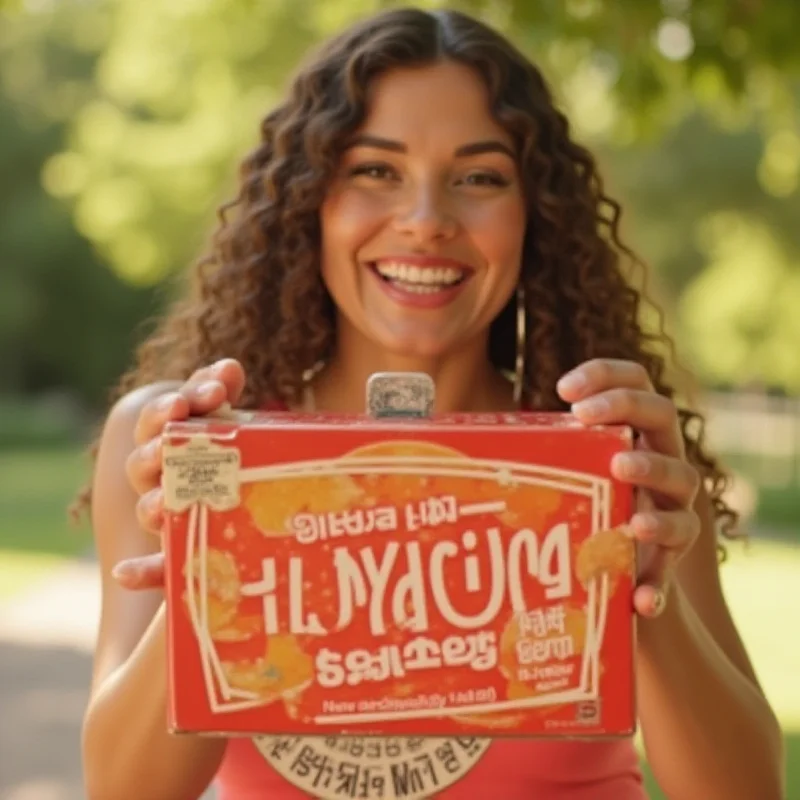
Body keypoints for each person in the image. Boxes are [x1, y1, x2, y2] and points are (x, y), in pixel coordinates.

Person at [77, 7, 784, 800]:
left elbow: (745, 790)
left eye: (479, 177)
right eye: (375, 170)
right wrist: (218, 548)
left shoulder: (610, 454)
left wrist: (642, 591)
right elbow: (125, 790)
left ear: (534, 218)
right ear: (312, 201)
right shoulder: (187, 449)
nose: (425, 222)